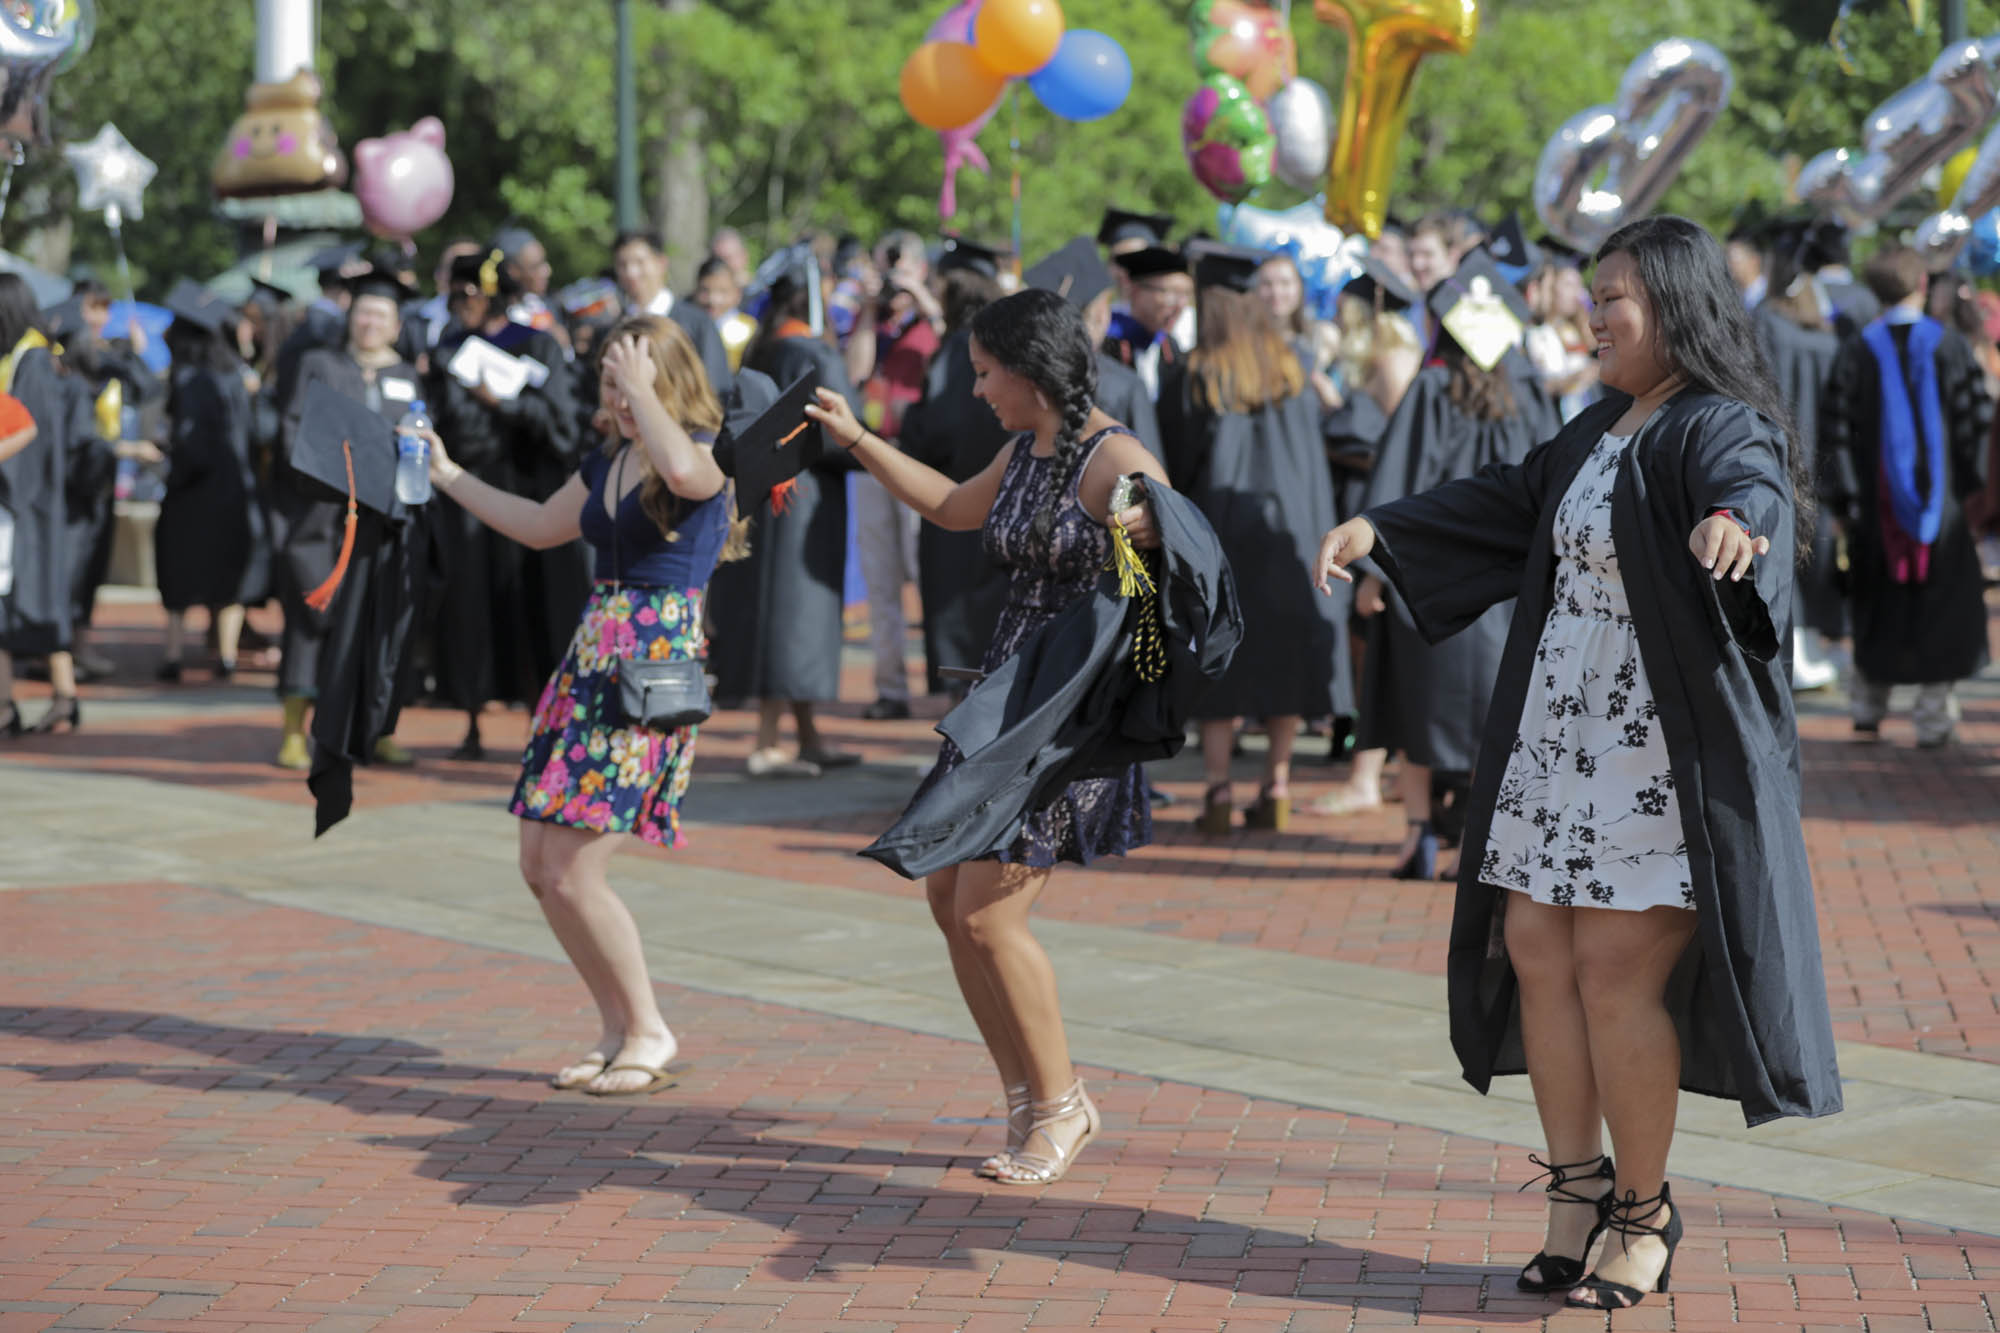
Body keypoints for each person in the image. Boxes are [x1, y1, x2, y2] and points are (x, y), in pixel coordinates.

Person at [1315, 216, 1841, 1310]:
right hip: (1557, 735)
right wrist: (1381, 529)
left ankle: (1644, 1214)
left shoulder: (1712, 422)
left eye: (1616, 299)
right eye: (1591, 295)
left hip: (1652, 744)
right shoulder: (1598, 424)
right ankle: (1573, 1193)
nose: (1590, 315)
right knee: (1536, 952)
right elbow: (1509, 502)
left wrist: (1738, 526)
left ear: (1677, 311)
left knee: (1613, 971)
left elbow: (1749, 482)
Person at [803, 286, 1169, 1185]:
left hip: (1065, 711)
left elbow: (1181, 542)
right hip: (1004, 696)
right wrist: (856, 436)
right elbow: (949, 506)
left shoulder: (1111, 455)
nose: (974, 390)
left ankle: (1062, 1104)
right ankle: (1025, 1097)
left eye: (984, 372)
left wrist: (1152, 525)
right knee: (946, 902)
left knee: (990, 913)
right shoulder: (1026, 447)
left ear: (1030, 371)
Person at [416, 315, 737, 1096]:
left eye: (632, 381)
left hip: (650, 669)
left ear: (669, 382)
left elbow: (690, 477)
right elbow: (534, 526)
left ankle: (650, 1028)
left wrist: (640, 391)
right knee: (539, 865)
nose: (619, 398)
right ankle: (617, 1024)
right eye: (609, 382)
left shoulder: (696, 452)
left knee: (574, 868)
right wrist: (447, 473)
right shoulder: (613, 458)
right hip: (591, 661)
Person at [1351, 254, 1561, 875]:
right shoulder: (1528, 392)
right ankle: (1477, 837)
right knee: (1496, 712)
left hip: (1429, 573)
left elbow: (1396, 481)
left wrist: (1376, 572)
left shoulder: (1428, 387)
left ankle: (1417, 832)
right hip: (1506, 579)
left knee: (1419, 703)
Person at [1159, 243, 1344, 833]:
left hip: (1221, 535)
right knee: (1284, 657)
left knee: (1221, 657)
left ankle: (1217, 790)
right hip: (1289, 531)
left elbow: (1176, 463)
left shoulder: (1194, 370)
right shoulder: (1295, 363)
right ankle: (1278, 786)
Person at [1820, 244, 1993, 748]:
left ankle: (1868, 708)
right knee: (1942, 605)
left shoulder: (1855, 349)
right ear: (1921, 285)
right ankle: (1934, 718)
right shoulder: (1950, 345)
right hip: (1945, 513)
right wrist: (1968, 493)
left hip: (1875, 513)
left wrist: (1846, 502)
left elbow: (1834, 434)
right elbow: (1974, 424)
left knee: (1877, 603)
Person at [428, 250, 584, 758]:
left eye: (469, 295)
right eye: (454, 295)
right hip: (469, 493)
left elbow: (562, 421)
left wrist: (504, 404)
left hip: (528, 490)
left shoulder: (536, 344)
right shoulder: (448, 348)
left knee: (533, 601)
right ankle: (472, 714)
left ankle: (541, 722)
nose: (460, 305)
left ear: (494, 296)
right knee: (472, 602)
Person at [708, 261, 862, 775]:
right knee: (794, 618)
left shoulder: (762, 348)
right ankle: (768, 741)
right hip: (806, 499)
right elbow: (845, 431)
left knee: (782, 613)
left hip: (765, 496)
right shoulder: (813, 352)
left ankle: (807, 735)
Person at [272, 265, 425, 770]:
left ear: (396, 324)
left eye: (381, 314)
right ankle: (296, 730)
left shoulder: (407, 376)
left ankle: (376, 728)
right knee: (311, 618)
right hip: (320, 516)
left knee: (377, 625)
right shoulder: (320, 364)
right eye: (363, 312)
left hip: (382, 523)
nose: (370, 322)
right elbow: (293, 428)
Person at [901, 240, 1012, 696]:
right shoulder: (1010, 345)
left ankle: (963, 750)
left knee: (963, 633)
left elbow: (938, 430)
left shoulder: (958, 351)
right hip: (1008, 503)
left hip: (956, 504)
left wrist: (910, 423)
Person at [845, 232, 943, 721]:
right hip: (872, 453)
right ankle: (891, 687)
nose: (893, 281)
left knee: (927, 570)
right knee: (880, 576)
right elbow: (856, 373)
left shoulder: (935, 315)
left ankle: (949, 684)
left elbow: (953, 351)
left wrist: (921, 297)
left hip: (921, 455)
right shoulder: (872, 324)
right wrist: (867, 309)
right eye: (885, 269)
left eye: (899, 269)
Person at [154, 286, 269, 682]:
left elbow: (191, 445)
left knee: (179, 572)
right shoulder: (237, 377)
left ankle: (173, 653)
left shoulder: (188, 380)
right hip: (234, 491)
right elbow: (256, 435)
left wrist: (169, 457)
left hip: (192, 493)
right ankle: (227, 655)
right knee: (227, 575)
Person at [1752, 220, 1847, 691]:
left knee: (1787, 552)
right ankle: (1813, 649)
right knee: (1818, 554)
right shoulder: (1828, 336)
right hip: (1824, 463)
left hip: (1782, 457)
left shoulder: (1765, 324)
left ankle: (1798, 652)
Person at [0, 273, 82, 733]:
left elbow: (27, 439)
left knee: (16, 599)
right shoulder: (37, 357)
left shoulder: (30, 363)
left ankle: (10, 704)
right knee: (40, 598)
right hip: (38, 498)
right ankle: (63, 696)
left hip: (26, 502)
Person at [613, 227, 731, 394]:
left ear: (661, 263)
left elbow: (717, 388)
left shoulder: (697, 323)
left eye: (639, 262)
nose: (631, 272)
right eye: (622, 264)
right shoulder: (616, 327)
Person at [1101, 245, 1191, 401]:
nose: (1181, 305)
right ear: (1135, 291)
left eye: (1186, 294)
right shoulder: (1106, 343)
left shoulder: (1170, 347)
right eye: (1171, 293)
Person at [1255, 252, 1343, 412]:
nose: (1276, 292)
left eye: (1285, 283)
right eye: (1267, 284)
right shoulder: (1247, 340)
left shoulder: (1320, 337)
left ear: (1300, 287)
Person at [691, 257, 758, 373]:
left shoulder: (749, 330)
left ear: (737, 294)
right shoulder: (685, 327)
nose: (713, 300)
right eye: (705, 290)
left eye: (722, 291)